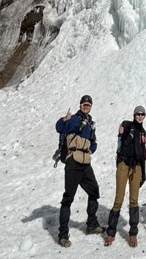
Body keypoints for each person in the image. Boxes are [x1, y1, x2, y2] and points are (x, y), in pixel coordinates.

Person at [55, 94, 104, 247]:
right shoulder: (74, 119)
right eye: (84, 104)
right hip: (73, 163)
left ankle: (91, 224)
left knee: (94, 191)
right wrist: (64, 119)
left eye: (88, 105)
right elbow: (59, 128)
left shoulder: (90, 124)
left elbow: (93, 142)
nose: (86, 106)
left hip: (85, 163)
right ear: (80, 104)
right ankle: (63, 234)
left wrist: (92, 150)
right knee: (68, 197)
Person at [104, 105, 146, 247]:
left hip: (137, 167)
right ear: (134, 115)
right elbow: (121, 138)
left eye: (142, 114)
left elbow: (142, 152)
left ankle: (133, 233)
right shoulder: (127, 125)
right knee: (119, 199)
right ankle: (111, 233)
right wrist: (120, 133)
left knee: (134, 200)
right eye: (138, 114)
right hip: (124, 165)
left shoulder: (143, 132)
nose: (140, 116)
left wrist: (143, 172)